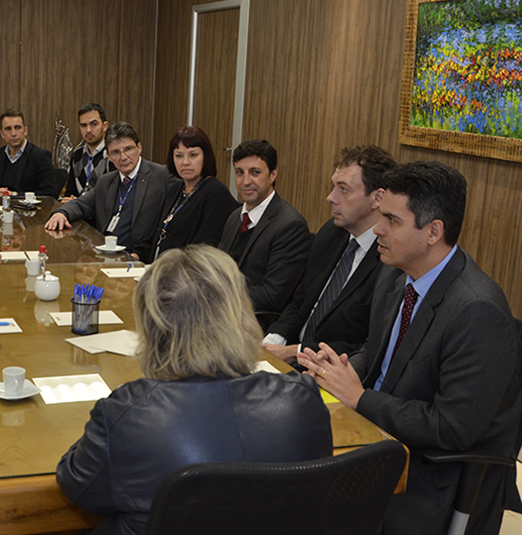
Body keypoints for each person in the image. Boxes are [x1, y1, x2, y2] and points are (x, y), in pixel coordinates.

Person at [298, 161, 522, 535]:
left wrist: (360, 398)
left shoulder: (477, 311)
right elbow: (378, 351)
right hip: (378, 433)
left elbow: (451, 429)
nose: (378, 229)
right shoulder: (394, 274)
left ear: (434, 231)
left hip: (434, 470)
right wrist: (340, 369)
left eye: (392, 220)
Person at [56, 244, 332, 535]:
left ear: (152, 327)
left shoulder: (127, 413)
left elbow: (78, 488)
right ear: (242, 317)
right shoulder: (302, 399)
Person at [263, 145, 396, 364]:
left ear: (377, 198)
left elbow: (366, 346)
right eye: (333, 187)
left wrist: (296, 351)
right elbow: (300, 301)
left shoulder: (390, 260)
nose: (330, 198)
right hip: (290, 359)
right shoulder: (331, 233)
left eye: (343, 189)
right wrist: (273, 340)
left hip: (333, 372)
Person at [45, 122, 180, 255]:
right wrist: (61, 213)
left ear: (139, 147)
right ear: (109, 157)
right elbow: (81, 204)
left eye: (128, 149)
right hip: (104, 254)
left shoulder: (161, 176)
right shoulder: (106, 181)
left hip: (136, 256)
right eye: (116, 152)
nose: (123, 157)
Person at [218, 139, 311, 328]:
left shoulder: (290, 225)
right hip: (222, 314)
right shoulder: (235, 216)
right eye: (239, 172)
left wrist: (218, 293)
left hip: (251, 324)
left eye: (255, 172)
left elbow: (271, 296)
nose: (245, 181)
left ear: (273, 175)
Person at [134, 125, 238, 262]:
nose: (185, 162)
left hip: (185, 277)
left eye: (193, 155)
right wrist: (133, 257)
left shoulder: (216, 194)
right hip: (154, 269)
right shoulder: (175, 189)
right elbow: (152, 235)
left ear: (205, 157)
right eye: (179, 156)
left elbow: (202, 253)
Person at [0, 109, 57, 197]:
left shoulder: (41, 156)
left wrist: (15, 195)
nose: (13, 133)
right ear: (2, 134)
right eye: (8, 129)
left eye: (17, 128)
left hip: (29, 209)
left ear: (25, 131)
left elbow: (50, 193)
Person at [61, 103, 115, 202]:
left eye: (94, 124)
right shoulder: (77, 155)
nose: (88, 130)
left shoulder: (113, 155)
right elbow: (70, 192)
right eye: (83, 125)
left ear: (105, 126)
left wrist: (80, 203)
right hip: (77, 213)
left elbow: (111, 198)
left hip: (101, 215)